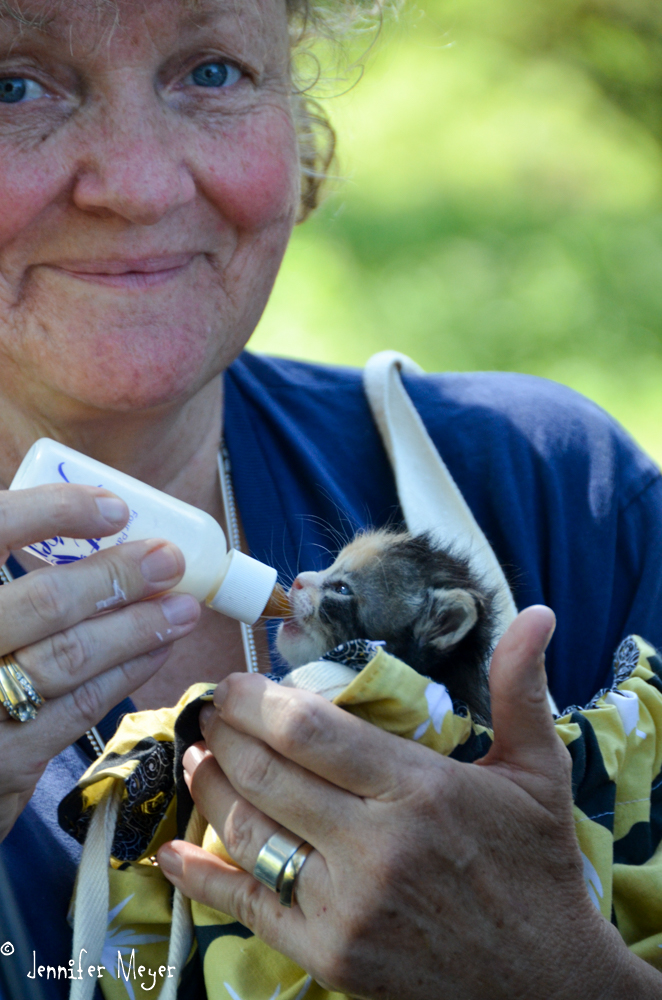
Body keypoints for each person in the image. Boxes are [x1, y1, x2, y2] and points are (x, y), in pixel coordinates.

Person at [0, 1, 661, 999]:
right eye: (13, 83)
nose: (134, 184)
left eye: (211, 70)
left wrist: (555, 973)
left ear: (299, 133)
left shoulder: (553, 500)